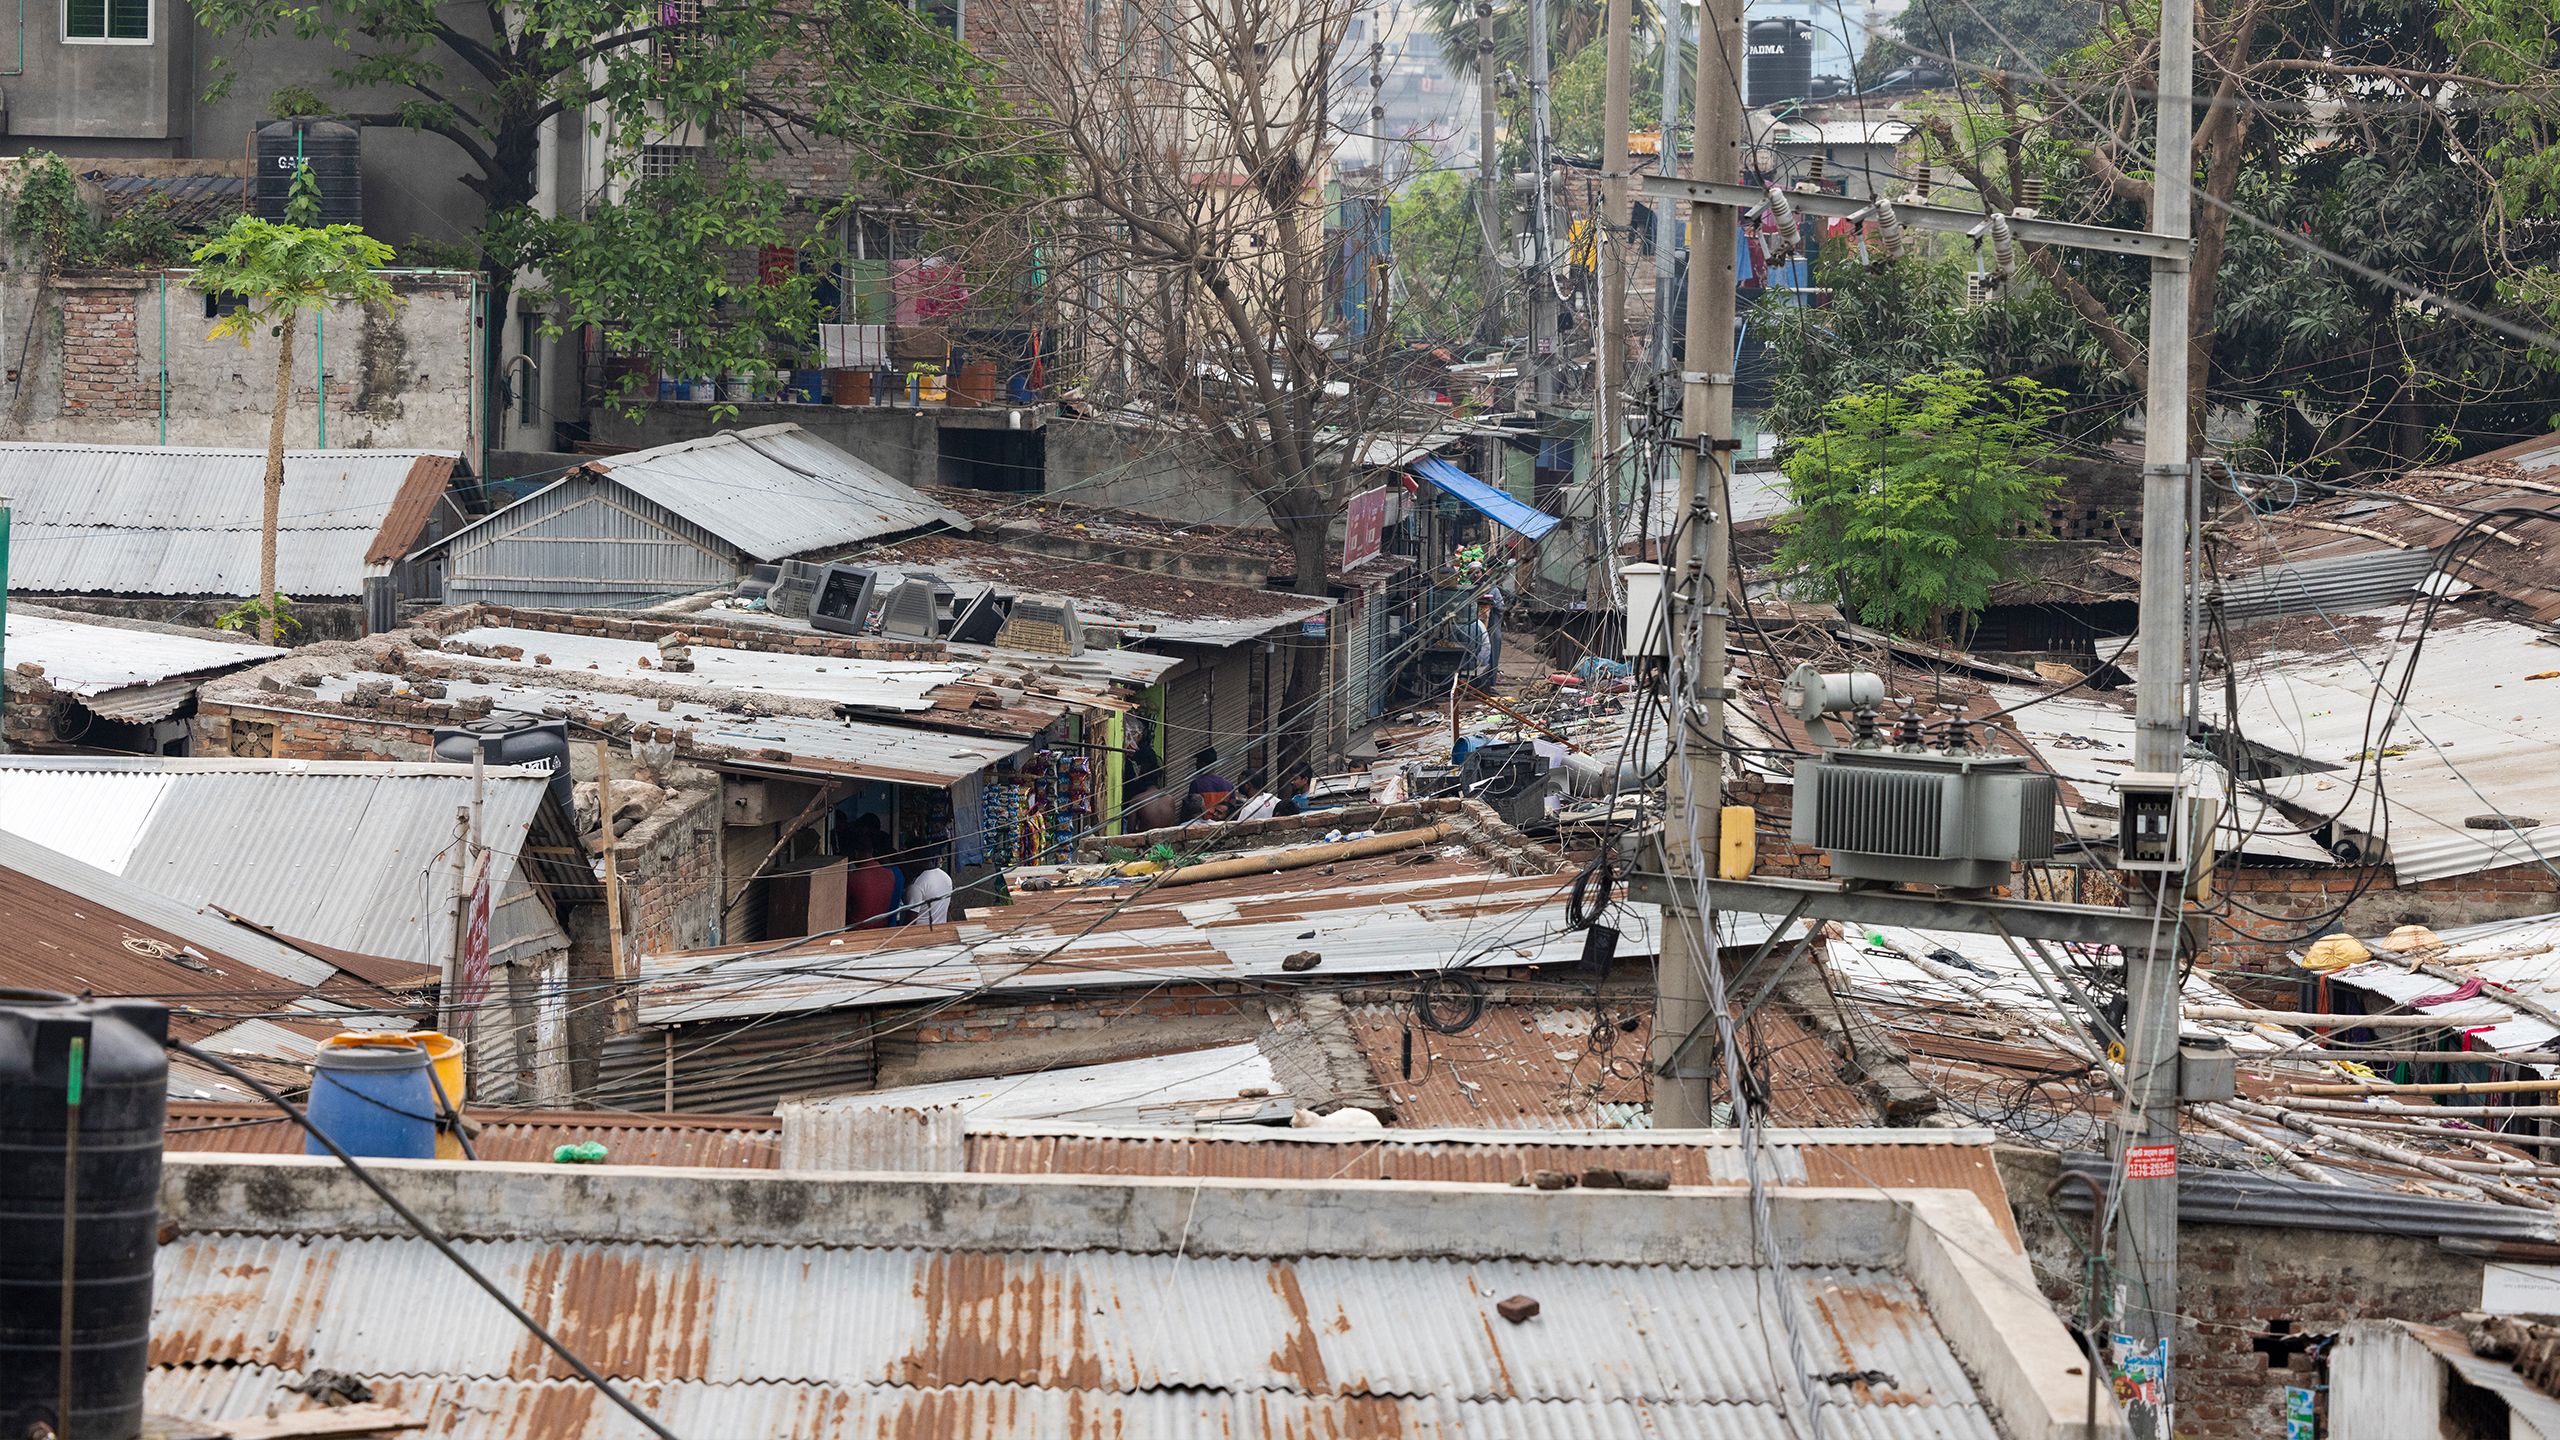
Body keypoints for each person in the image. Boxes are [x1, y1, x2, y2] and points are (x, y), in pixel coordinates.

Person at [845, 838, 897, 930]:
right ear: (872, 851)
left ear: (856, 854)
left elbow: (844, 904)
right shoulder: (889, 874)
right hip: (881, 929)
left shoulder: (855, 877)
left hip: (857, 931)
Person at [904, 850, 954, 925]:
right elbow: (947, 910)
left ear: (917, 862)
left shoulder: (917, 885)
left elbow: (911, 921)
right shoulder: (946, 877)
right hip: (941, 929)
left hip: (923, 933)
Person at [1188, 747, 1234, 816]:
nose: (1196, 765)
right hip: (1221, 825)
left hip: (1202, 825)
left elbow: (1191, 810)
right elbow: (1232, 811)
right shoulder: (1229, 785)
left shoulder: (1196, 784)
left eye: (1197, 762)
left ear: (1202, 764)